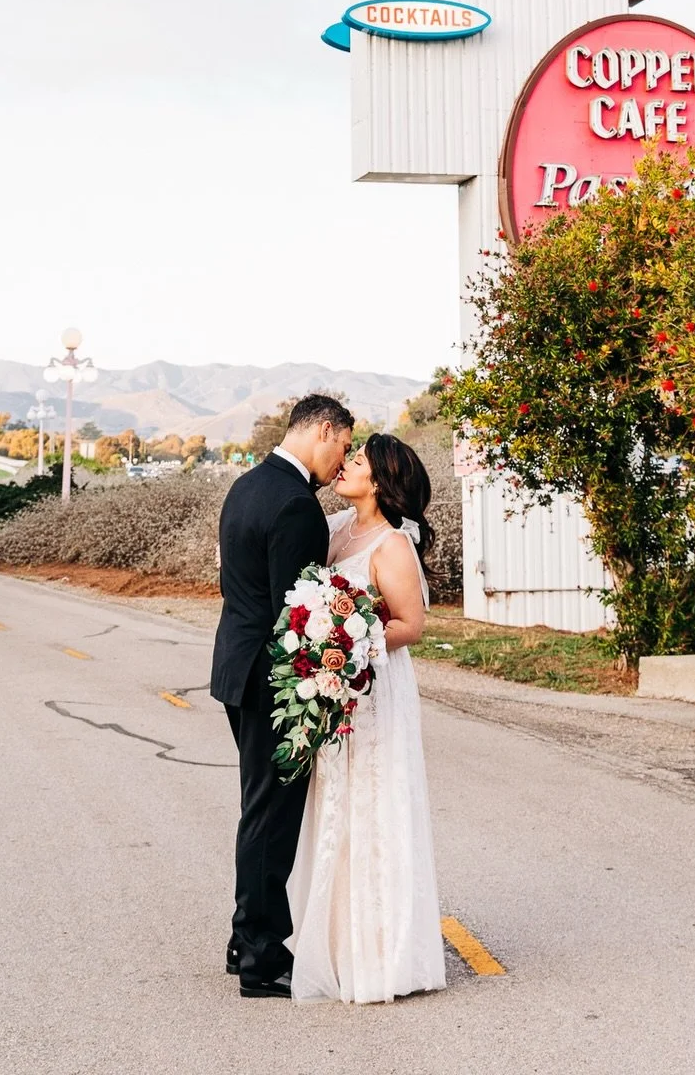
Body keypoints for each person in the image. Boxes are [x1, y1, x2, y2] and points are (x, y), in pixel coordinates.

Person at [287, 432, 447, 1004]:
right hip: (332, 688)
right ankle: (327, 946)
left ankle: (378, 954)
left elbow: (410, 624)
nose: (346, 465)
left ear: (379, 480)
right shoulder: (334, 530)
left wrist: (353, 644)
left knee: (372, 806)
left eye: (356, 460)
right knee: (333, 805)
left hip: (373, 689)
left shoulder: (392, 546)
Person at [211, 395, 353, 999]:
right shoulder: (297, 505)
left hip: (234, 669)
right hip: (272, 682)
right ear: (324, 431)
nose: (342, 457)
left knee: (257, 810)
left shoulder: (246, 486)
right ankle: (263, 958)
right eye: (343, 444)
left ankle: (246, 938)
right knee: (273, 819)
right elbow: (296, 615)